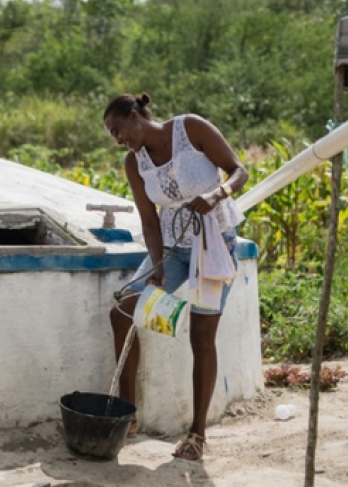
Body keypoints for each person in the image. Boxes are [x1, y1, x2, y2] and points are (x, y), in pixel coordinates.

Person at [102, 92, 249, 461]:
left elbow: (239, 171)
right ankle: (127, 415)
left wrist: (217, 194)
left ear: (136, 116)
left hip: (214, 244)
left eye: (119, 130)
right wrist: (157, 266)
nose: (119, 139)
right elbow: (149, 220)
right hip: (171, 250)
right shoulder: (133, 163)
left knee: (202, 337)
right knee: (122, 313)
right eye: (113, 136)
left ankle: (197, 435)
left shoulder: (190, 128)